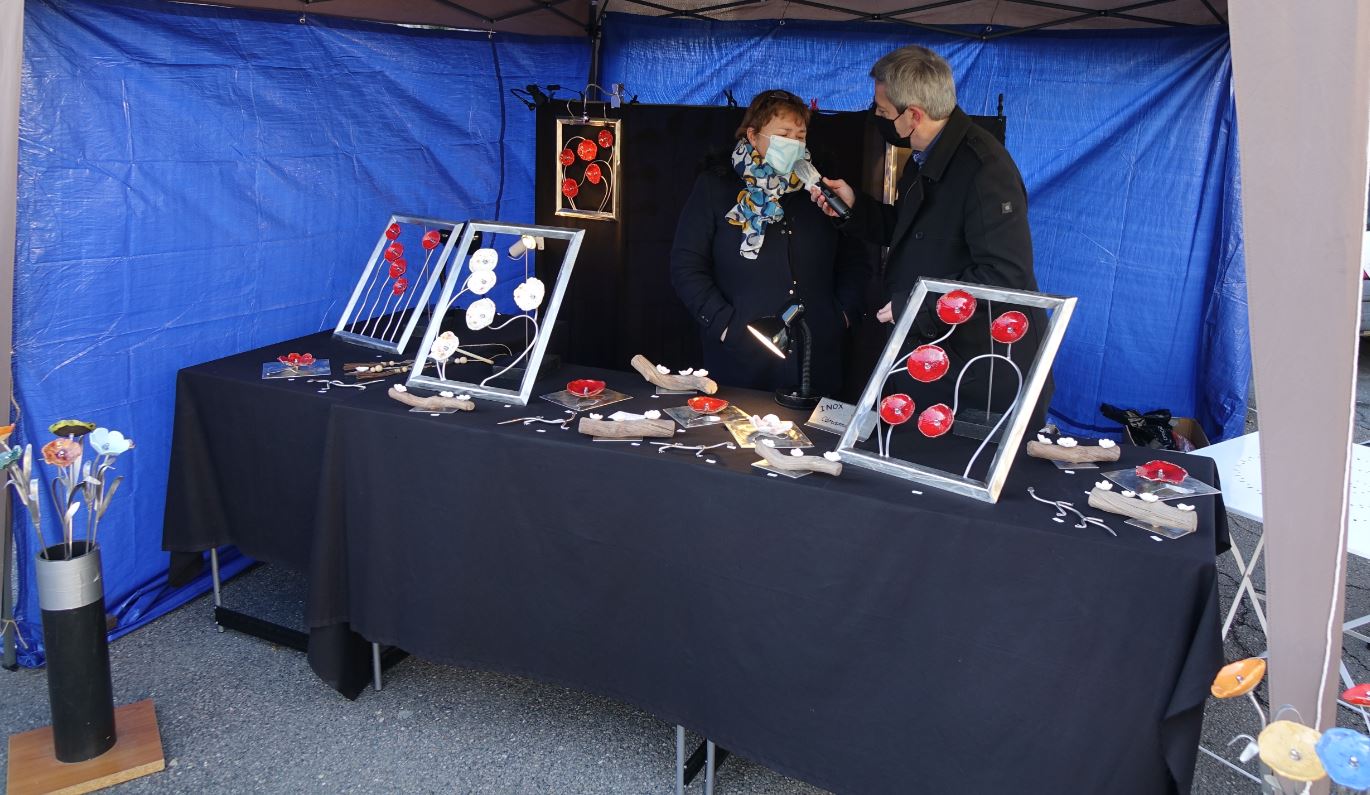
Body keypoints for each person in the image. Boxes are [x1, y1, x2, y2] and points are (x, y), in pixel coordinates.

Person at [812, 46, 1050, 428]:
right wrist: (854, 208)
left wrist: (915, 304)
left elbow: (1005, 276)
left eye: (882, 111)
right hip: (934, 352)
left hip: (978, 368)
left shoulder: (984, 169)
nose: (876, 117)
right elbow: (911, 231)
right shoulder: (928, 157)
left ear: (913, 116)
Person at [671, 89, 872, 398]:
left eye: (800, 135)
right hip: (742, 352)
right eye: (784, 134)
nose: (793, 143)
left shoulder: (820, 187)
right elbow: (686, 265)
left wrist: (842, 314)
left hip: (817, 352)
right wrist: (725, 325)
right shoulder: (716, 186)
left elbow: (855, 257)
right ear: (753, 136)